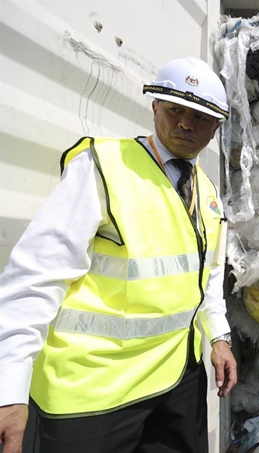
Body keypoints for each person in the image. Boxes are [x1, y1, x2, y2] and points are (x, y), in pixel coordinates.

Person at [0, 57, 237, 453]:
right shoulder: (102, 167)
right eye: (175, 110)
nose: (185, 124)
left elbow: (206, 274)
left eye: (200, 117)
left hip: (175, 383)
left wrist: (218, 336)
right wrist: (10, 389)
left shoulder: (206, 191)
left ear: (215, 129)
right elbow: (34, 278)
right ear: (154, 107)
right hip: (93, 393)